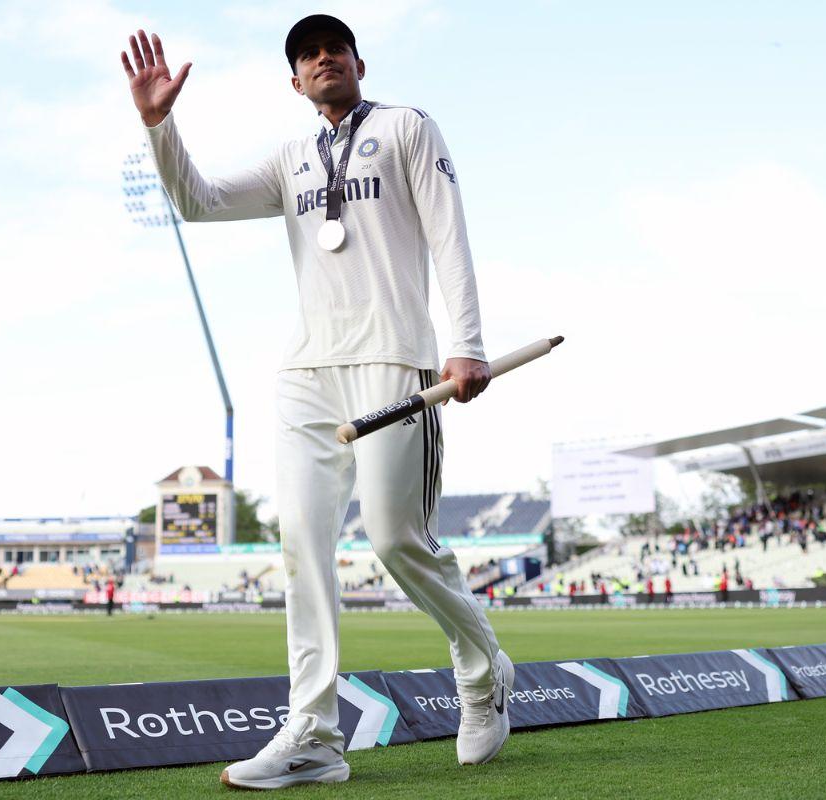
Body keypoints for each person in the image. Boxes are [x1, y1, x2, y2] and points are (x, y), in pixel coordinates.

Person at [121, 16, 512, 790]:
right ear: (294, 81)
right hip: (307, 374)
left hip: (395, 360)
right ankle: (316, 736)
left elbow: (449, 235)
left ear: (359, 62)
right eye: (307, 53)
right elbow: (196, 202)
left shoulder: (406, 127)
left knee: (399, 539)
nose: (323, 56)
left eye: (334, 46)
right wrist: (159, 126)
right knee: (300, 541)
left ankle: (482, 668)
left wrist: (465, 341)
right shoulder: (290, 159)